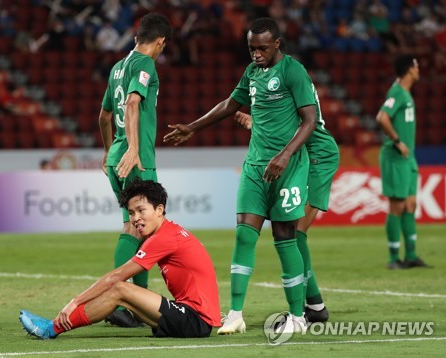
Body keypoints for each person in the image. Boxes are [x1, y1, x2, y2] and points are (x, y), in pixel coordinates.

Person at [164, 17, 316, 334]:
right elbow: (231, 104)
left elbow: (309, 120)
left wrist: (285, 155)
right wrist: (192, 126)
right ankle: (235, 314)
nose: (256, 54)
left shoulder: (293, 71)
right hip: (255, 167)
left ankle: (298, 317)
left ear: (277, 44)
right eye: (251, 48)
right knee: (245, 234)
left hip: (287, 168)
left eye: (261, 48)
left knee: (285, 239)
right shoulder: (252, 72)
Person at [19, 179, 221, 339]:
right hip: (191, 316)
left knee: (119, 288)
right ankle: (52, 327)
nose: (135, 218)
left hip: (196, 320)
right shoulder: (169, 232)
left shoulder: (163, 238)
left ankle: (51, 328)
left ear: (159, 210)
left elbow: (116, 277)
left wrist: (75, 301)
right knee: (124, 294)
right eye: (131, 213)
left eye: (141, 210)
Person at [234, 99, 339, 323]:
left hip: (316, 155)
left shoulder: (291, 77)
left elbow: (305, 122)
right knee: (295, 233)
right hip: (303, 154)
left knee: (295, 232)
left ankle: (307, 309)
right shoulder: (280, 77)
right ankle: (314, 304)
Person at [98, 12, 172, 327]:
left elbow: (103, 116)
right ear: (161, 42)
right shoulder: (145, 64)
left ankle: (135, 307)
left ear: (134, 37)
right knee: (140, 229)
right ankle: (123, 302)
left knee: (140, 230)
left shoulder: (118, 68)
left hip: (117, 158)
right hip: (136, 159)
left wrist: (108, 152)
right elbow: (131, 103)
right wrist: (132, 147)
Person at [376, 54, 431, 270]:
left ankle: (411, 255)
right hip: (395, 157)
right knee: (397, 205)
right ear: (409, 69)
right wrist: (397, 141)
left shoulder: (404, 92)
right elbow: (382, 117)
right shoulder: (397, 92)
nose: (419, 70)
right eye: (416, 66)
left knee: (410, 204)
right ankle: (393, 258)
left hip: (408, 158)